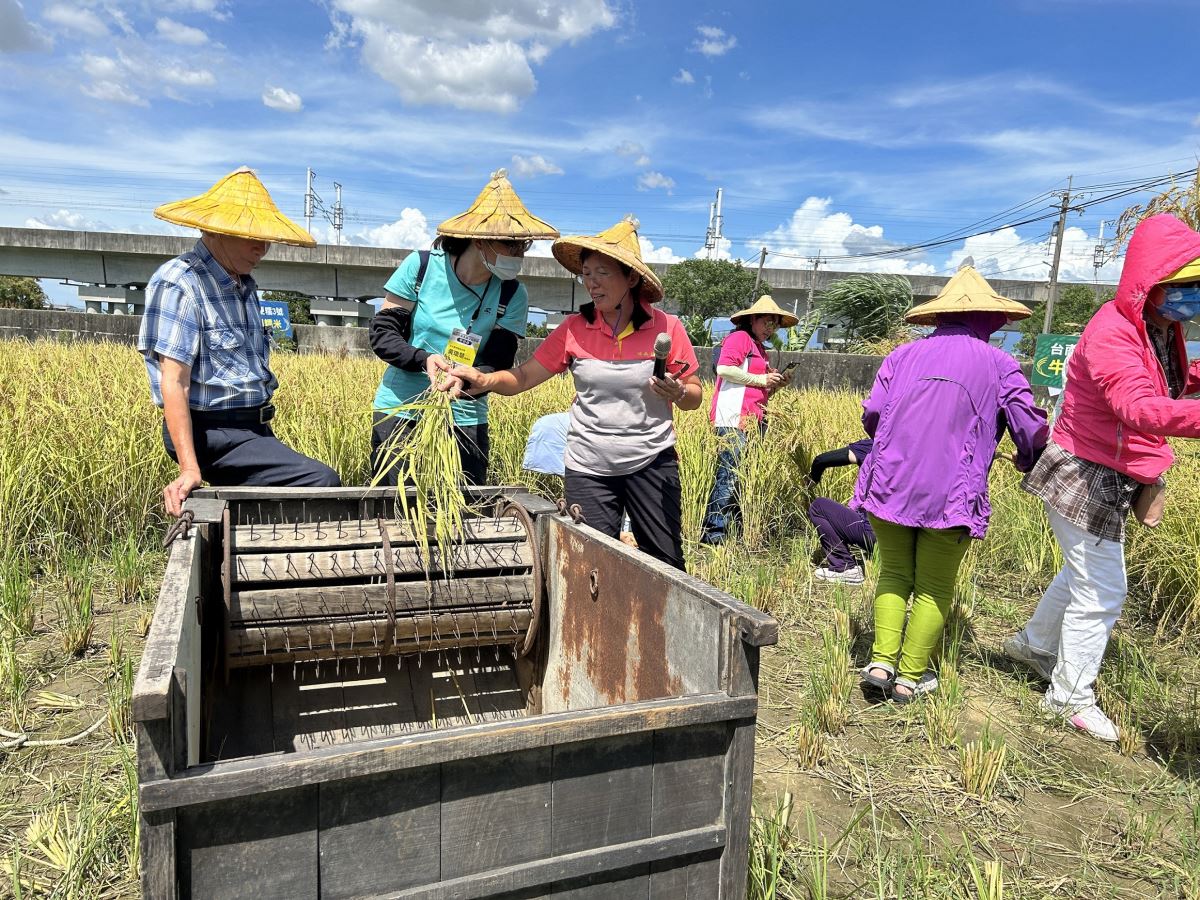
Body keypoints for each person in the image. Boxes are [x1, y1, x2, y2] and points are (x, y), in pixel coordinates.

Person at [1004, 214, 1200, 742]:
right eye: (1187, 285)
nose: (1194, 297)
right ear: (1151, 281)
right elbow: (1138, 406)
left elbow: (1170, 383)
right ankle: (1068, 697)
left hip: (1108, 471)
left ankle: (1033, 646)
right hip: (1084, 472)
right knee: (1103, 590)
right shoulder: (1114, 331)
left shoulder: (1160, 329)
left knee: (1081, 575)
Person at [438, 216, 702, 569]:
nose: (591, 282)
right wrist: (485, 380)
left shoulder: (667, 328)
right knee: (590, 564)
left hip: (651, 461)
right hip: (588, 465)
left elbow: (695, 396)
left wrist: (678, 392)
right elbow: (524, 376)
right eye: (586, 274)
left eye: (602, 273)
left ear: (631, 278)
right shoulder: (575, 328)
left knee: (666, 564)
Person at [854, 266, 1048, 703]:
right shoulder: (1000, 364)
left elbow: (873, 414)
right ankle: (909, 679)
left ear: (939, 316)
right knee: (934, 588)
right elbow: (1030, 428)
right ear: (988, 317)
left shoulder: (901, 356)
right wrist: (1026, 456)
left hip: (889, 482)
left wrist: (897, 443)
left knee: (894, 573)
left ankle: (880, 663)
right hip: (952, 494)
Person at [138, 167, 341, 517]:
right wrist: (189, 468)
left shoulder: (243, 285)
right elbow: (174, 381)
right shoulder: (181, 283)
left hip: (252, 429)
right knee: (321, 482)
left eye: (265, 238)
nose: (261, 248)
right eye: (250, 236)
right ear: (215, 231)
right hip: (213, 431)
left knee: (266, 504)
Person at [368, 169, 558, 485]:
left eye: (522, 247)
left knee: (462, 505)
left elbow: (498, 359)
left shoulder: (511, 293)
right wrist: (424, 360)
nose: (518, 255)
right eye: (510, 245)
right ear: (479, 240)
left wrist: (469, 379)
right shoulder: (421, 267)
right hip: (402, 410)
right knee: (395, 505)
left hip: (465, 416)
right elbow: (383, 335)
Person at [699, 295, 795, 545]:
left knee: (742, 477)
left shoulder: (760, 349)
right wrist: (762, 379)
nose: (770, 328)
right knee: (728, 475)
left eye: (774, 324)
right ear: (752, 319)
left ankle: (731, 530)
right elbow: (724, 369)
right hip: (734, 419)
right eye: (766, 322)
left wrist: (776, 384)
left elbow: (759, 390)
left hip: (755, 419)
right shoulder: (739, 338)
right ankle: (714, 534)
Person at [807, 438, 875, 584]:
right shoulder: (918, 453)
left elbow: (821, 460)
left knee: (818, 507)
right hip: (906, 542)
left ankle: (844, 566)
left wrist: (812, 479)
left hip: (875, 537)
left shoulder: (874, 447)